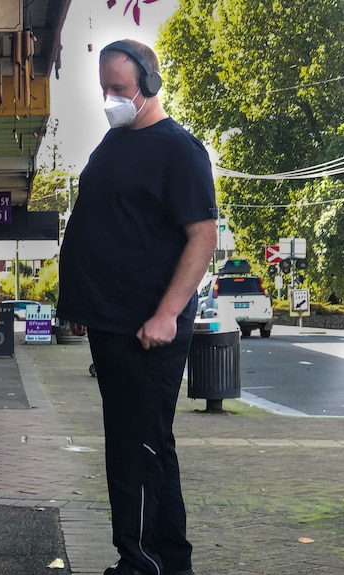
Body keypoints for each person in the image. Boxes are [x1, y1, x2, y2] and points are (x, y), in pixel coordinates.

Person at [57, 40, 218, 575]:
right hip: (110, 323)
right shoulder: (113, 141)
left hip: (148, 328)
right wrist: (79, 302)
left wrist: (168, 313)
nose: (109, 99)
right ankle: (141, 557)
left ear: (149, 84)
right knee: (126, 444)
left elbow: (202, 236)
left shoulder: (180, 150)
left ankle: (156, 562)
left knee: (144, 446)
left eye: (120, 89)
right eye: (104, 89)